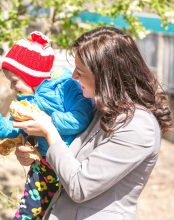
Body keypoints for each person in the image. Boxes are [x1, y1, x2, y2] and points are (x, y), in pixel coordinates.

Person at [12, 26, 172, 220]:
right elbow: (67, 159)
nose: (73, 77)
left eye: (80, 71)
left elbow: (79, 186)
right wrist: (37, 155)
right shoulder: (100, 109)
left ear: (105, 76)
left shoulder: (138, 127)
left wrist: (49, 131)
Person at [0, 31, 94, 219]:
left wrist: (47, 123)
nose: (12, 87)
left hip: (65, 163)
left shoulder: (65, 87)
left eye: (14, 81)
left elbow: (80, 118)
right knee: (27, 213)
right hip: (41, 167)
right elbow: (15, 130)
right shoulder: (27, 101)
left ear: (31, 76)